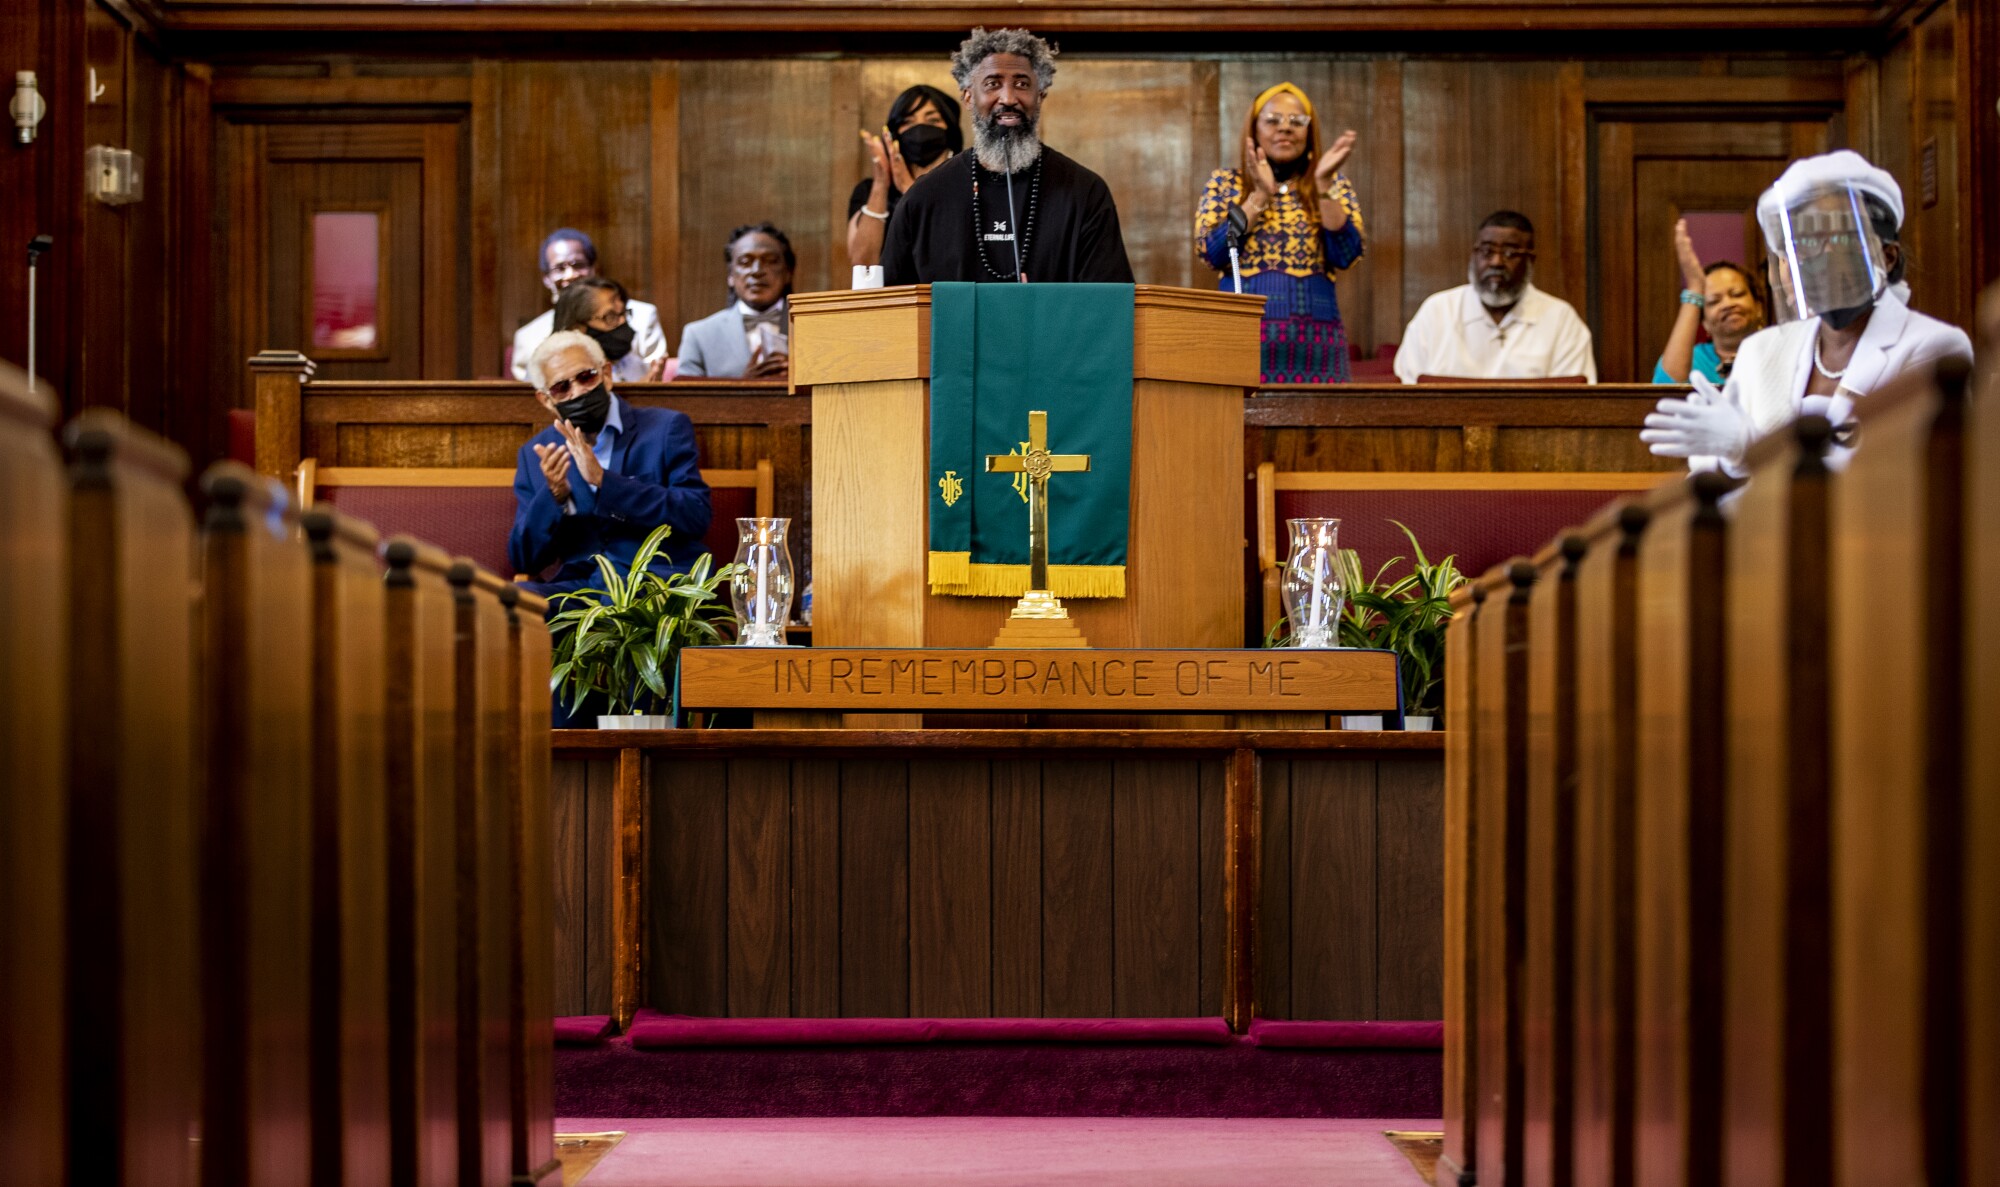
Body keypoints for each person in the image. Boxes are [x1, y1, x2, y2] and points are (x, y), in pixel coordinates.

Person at [1642, 150, 1973, 474]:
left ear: (1885, 256)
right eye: (1794, 247)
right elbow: (1706, 473)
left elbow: (1898, 480)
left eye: (1830, 240)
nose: (1806, 262)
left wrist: (1749, 448)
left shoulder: (1935, 348)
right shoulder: (1761, 350)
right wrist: (1722, 455)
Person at [881, 27, 1134, 286]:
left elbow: (1108, 305)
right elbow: (891, 307)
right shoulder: (925, 196)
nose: (1008, 98)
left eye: (1022, 84)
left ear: (1040, 96)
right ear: (968, 97)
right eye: (993, 84)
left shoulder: (1085, 192)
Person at [509, 329, 712, 600]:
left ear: (606, 375)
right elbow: (524, 560)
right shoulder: (537, 454)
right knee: (515, 600)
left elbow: (694, 515)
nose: (578, 391)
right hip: (582, 589)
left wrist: (606, 482)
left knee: (623, 600)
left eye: (586, 377)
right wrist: (553, 497)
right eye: (562, 387)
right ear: (546, 399)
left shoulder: (665, 429)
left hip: (653, 585)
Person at [1194, 82, 1365, 383]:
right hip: (1242, 345)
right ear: (1254, 130)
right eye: (1272, 120)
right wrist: (1259, 196)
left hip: (1318, 352)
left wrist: (1323, 185)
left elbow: (1347, 255)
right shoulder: (1225, 184)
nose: (1285, 129)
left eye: (1297, 121)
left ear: (1309, 133)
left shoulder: (1334, 185)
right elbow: (1212, 252)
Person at [1393, 211, 1597, 383]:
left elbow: (1575, 404)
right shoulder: (1437, 312)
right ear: (1474, 255)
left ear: (1530, 260)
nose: (1496, 262)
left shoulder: (1561, 319)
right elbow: (1406, 395)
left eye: (1509, 253)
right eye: (1487, 251)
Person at [510, 227, 667, 381]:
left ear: (594, 268)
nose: (570, 275)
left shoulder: (633, 347)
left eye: (577, 265)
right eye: (559, 268)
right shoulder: (534, 345)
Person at [849, 85, 964, 270]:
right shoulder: (868, 190)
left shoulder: (967, 186)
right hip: (888, 297)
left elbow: (951, 257)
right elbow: (863, 265)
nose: (919, 129)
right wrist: (881, 184)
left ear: (950, 130)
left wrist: (910, 189)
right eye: (908, 122)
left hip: (945, 296)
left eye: (933, 120)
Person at [1653, 219, 1767, 383]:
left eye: (1737, 294)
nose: (1728, 304)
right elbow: (1665, 387)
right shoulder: (1693, 359)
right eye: (1714, 301)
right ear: (1704, 323)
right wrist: (1694, 288)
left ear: (1758, 307)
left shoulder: (1778, 349)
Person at [676, 223, 795, 379]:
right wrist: (741, 389)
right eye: (745, 262)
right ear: (731, 276)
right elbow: (685, 401)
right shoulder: (699, 335)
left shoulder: (817, 330)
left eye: (770, 261)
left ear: (788, 273)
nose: (757, 271)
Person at [552, 277, 671, 383]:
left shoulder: (631, 360)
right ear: (576, 327)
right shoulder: (562, 378)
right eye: (611, 317)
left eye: (624, 312)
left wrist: (652, 390)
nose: (622, 321)